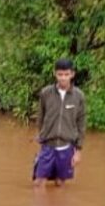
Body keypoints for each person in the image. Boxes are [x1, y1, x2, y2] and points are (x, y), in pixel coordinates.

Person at [33, 58, 86, 188]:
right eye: (60, 74)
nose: (63, 78)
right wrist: (40, 135)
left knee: (60, 184)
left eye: (66, 74)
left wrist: (78, 151)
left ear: (72, 74)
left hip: (67, 147)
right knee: (39, 183)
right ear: (55, 74)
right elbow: (41, 117)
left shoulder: (79, 96)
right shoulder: (46, 93)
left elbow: (81, 124)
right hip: (48, 145)